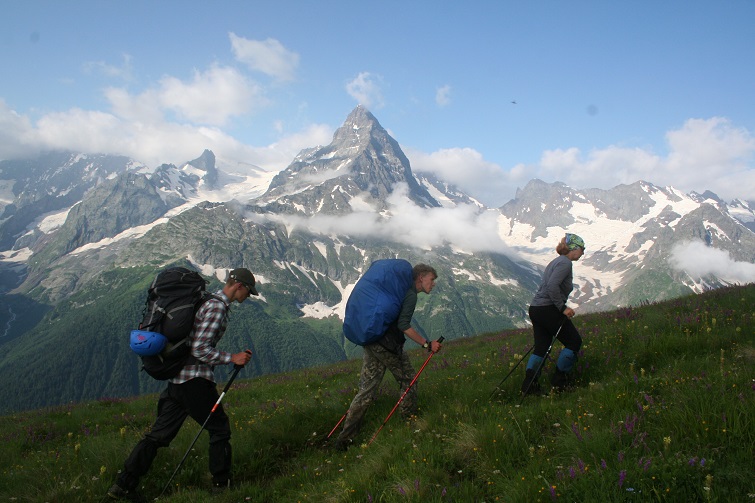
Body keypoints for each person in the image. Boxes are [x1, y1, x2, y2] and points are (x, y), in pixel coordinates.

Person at [108, 268, 259, 501]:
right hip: (195, 380)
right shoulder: (217, 307)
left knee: (157, 436)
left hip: (177, 380)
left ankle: (123, 485)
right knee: (219, 429)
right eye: (248, 292)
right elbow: (199, 349)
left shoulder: (206, 300)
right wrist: (232, 358)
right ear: (239, 286)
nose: (248, 297)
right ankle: (222, 485)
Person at [334, 263, 442, 451]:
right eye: (431, 280)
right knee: (409, 380)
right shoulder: (409, 295)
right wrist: (427, 344)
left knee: (366, 390)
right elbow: (404, 325)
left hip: (372, 339)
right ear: (421, 277)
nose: (433, 284)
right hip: (387, 346)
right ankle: (409, 423)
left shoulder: (398, 291)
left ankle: (345, 439)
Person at [521, 233, 585, 395]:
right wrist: (563, 308)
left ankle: (529, 386)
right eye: (582, 249)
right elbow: (552, 286)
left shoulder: (555, 262)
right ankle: (559, 383)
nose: (583, 253)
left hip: (536, 308)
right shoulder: (565, 264)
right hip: (549, 309)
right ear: (574, 249)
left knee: (541, 348)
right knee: (573, 341)